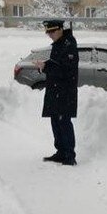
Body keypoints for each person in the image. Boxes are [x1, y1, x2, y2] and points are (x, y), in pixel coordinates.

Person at [36, 19, 78, 165]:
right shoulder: (59, 44)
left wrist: (46, 67)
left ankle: (69, 155)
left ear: (60, 29)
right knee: (56, 121)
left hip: (64, 92)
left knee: (64, 122)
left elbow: (66, 70)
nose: (49, 35)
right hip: (55, 90)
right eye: (48, 32)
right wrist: (44, 65)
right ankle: (61, 151)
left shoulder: (69, 45)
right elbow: (56, 64)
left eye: (52, 31)